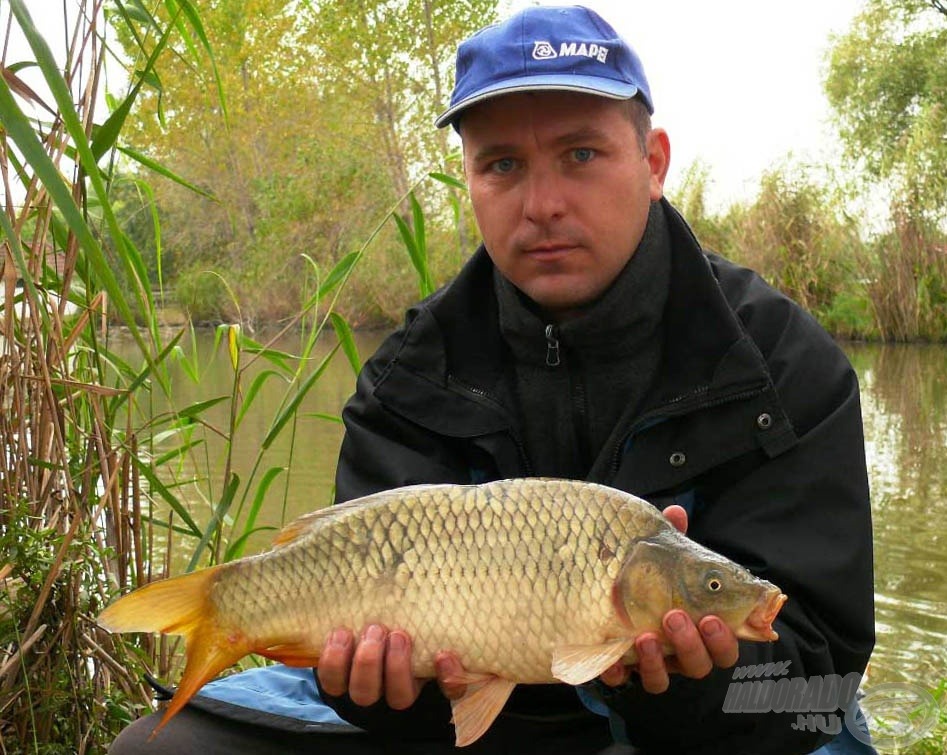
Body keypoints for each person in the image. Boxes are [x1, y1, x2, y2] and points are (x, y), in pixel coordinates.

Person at [108, 6, 874, 754]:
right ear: (468, 179)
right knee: (159, 748)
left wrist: (680, 687)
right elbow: (374, 681)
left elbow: (816, 689)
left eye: (580, 155)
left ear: (652, 163)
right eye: (502, 164)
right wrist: (377, 692)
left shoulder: (780, 363)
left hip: (700, 734)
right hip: (484, 726)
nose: (541, 205)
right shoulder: (411, 373)